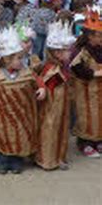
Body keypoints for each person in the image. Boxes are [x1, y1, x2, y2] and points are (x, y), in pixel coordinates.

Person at [0, 26, 46, 174]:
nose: (21, 61)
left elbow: (37, 79)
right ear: (7, 59)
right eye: (18, 58)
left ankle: (16, 160)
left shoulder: (26, 72)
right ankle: (1, 161)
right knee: (0, 135)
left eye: (21, 57)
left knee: (19, 135)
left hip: (20, 114)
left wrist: (42, 88)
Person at [36, 21, 76, 170]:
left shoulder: (61, 67)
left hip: (61, 106)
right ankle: (47, 159)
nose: (70, 53)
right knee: (50, 130)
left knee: (60, 129)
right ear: (57, 53)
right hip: (51, 108)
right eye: (67, 50)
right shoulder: (52, 69)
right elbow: (47, 85)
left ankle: (58, 156)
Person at [70, 6, 102, 158]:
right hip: (86, 90)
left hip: (99, 90)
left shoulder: (100, 48)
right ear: (90, 36)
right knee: (87, 116)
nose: (101, 38)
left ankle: (98, 140)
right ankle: (85, 142)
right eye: (98, 35)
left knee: (99, 115)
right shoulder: (81, 50)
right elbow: (76, 67)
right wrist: (94, 73)